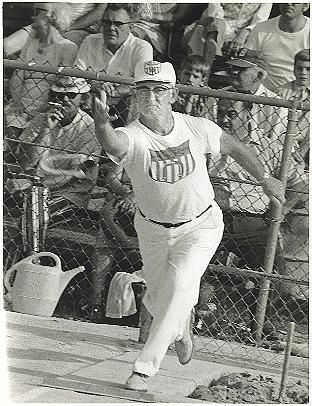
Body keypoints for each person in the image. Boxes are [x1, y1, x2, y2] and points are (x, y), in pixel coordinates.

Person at [93, 60, 285, 392]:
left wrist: (265, 179)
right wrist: (99, 120)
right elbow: (113, 144)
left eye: (159, 90)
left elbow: (236, 147)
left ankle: (144, 368)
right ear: (135, 96)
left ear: (174, 95)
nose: (151, 98)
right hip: (152, 230)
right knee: (156, 299)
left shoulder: (196, 127)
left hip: (201, 226)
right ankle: (181, 327)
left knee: (181, 282)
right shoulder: (134, 136)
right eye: (144, 91)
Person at [6, 75, 101, 223]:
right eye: (60, 94)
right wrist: (46, 130)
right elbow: (26, 162)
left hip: (69, 193)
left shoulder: (90, 127)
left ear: (82, 98)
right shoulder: (42, 118)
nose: (64, 100)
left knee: (34, 217)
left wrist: (34, 185)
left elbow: (74, 176)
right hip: (36, 186)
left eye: (71, 95)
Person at [75, 3, 153, 127]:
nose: (111, 28)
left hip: (123, 106)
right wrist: (98, 86)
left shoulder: (142, 48)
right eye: (107, 22)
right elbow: (75, 76)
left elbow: (141, 85)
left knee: (132, 101)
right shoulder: (90, 41)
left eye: (118, 24)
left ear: (131, 27)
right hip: (91, 100)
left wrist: (112, 91)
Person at [6, 3, 78, 125]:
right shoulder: (31, 40)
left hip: (47, 109)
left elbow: (61, 89)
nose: (32, 17)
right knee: (12, 124)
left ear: (52, 17)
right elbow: (17, 77)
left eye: (37, 12)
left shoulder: (69, 48)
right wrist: (18, 104)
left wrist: (39, 111)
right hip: (20, 103)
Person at [182, 4, 272, 68]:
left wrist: (244, 33)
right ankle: (204, 74)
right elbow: (215, 14)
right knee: (211, 29)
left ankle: (202, 74)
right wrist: (230, 37)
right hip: (211, 27)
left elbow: (260, 21)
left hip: (244, 36)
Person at [245, 3, 310, 92]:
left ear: (306, 6)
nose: (289, 3)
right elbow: (247, 63)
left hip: (301, 96)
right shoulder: (261, 29)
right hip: (263, 97)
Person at [223, 55, 288, 142]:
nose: (234, 72)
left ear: (259, 76)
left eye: (241, 69)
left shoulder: (276, 105)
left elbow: (275, 142)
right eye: (233, 67)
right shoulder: (219, 95)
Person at [277, 49, 310, 166]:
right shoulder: (281, 92)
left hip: (303, 148)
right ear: (294, 70)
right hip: (279, 143)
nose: (303, 72)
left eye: (308, 69)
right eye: (299, 68)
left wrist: (302, 151)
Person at [173, 55, 217, 120]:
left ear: (202, 81)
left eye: (195, 77)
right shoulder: (173, 92)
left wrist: (191, 97)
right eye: (187, 74)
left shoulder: (205, 96)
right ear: (179, 74)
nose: (190, 79)